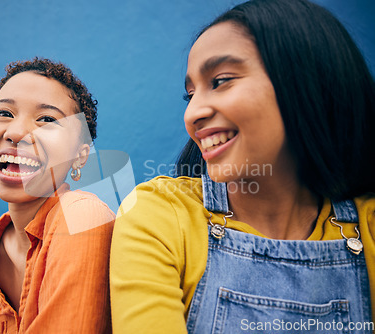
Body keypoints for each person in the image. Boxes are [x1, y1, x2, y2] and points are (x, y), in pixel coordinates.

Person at [110, 0, 375, 333]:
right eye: (189, 95)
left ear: (308, 80)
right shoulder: (161, 213)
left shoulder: (369, 224)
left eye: (220, 81)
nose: (192, 114)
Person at [0, 58, 115, 333]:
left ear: (81, 157)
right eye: (4, 113)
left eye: (46, 119)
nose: (17, 132)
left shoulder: (82, 217)